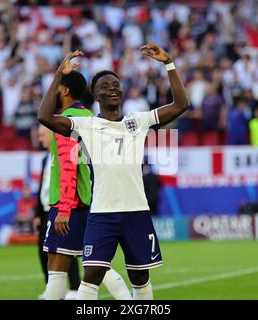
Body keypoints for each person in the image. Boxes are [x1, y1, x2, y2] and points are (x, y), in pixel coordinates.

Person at [38, 44, 189, 300]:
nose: (112, 88)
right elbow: (45, 116)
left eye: (116, 84)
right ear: (95, 96)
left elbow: (181, 104)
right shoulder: (86, 125)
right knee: (92, 275)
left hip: (136, 211)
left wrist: (169, 64)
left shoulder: (138, 121)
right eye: (105, 86)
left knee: (140, 277)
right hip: (102, 213)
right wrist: (59, 76)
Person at [40, 68, 131, 300]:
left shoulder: (66, 120)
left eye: (57, 86)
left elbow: (69, 165)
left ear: (66, 90)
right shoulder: (92, 117)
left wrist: (64, 208)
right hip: (90, 199)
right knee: (97, 264)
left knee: (57, 271)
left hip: (70, 203)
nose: (52, 92)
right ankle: (129, 300)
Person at [33, 124, 82, 300]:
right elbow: (42, 188)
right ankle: (52, 290)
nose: (40, 139)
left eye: (42, 135)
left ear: (51, 135)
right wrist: (37, 213)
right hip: (46, 210)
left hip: (61, 209)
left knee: (66, 251)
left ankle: (76, 288)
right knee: (44, 252)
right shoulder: (45, 159)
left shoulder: (61, 155)